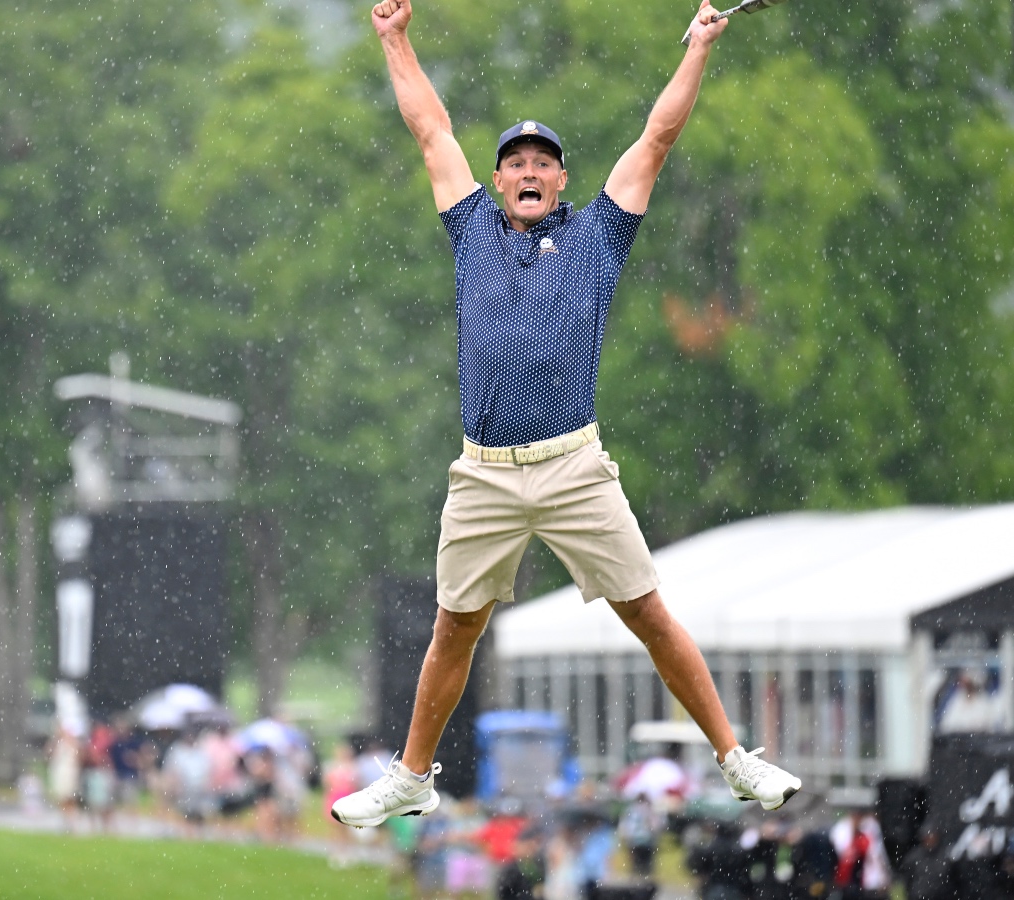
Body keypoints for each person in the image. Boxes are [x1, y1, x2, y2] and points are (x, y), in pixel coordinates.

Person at [330, 0, 801, 828]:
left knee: (649, 615)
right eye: (515, 161)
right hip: (484, 471)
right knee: (454, 630)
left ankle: (736, 760)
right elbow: (433, 130)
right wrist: (394, 39)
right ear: (501, 177)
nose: (528, 171)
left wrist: (696, 48)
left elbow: (656, 138)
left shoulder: (599, 238)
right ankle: (412, 776)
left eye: (543, 162)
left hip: (574, 466)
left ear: (561, 180)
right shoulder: (472, 226)